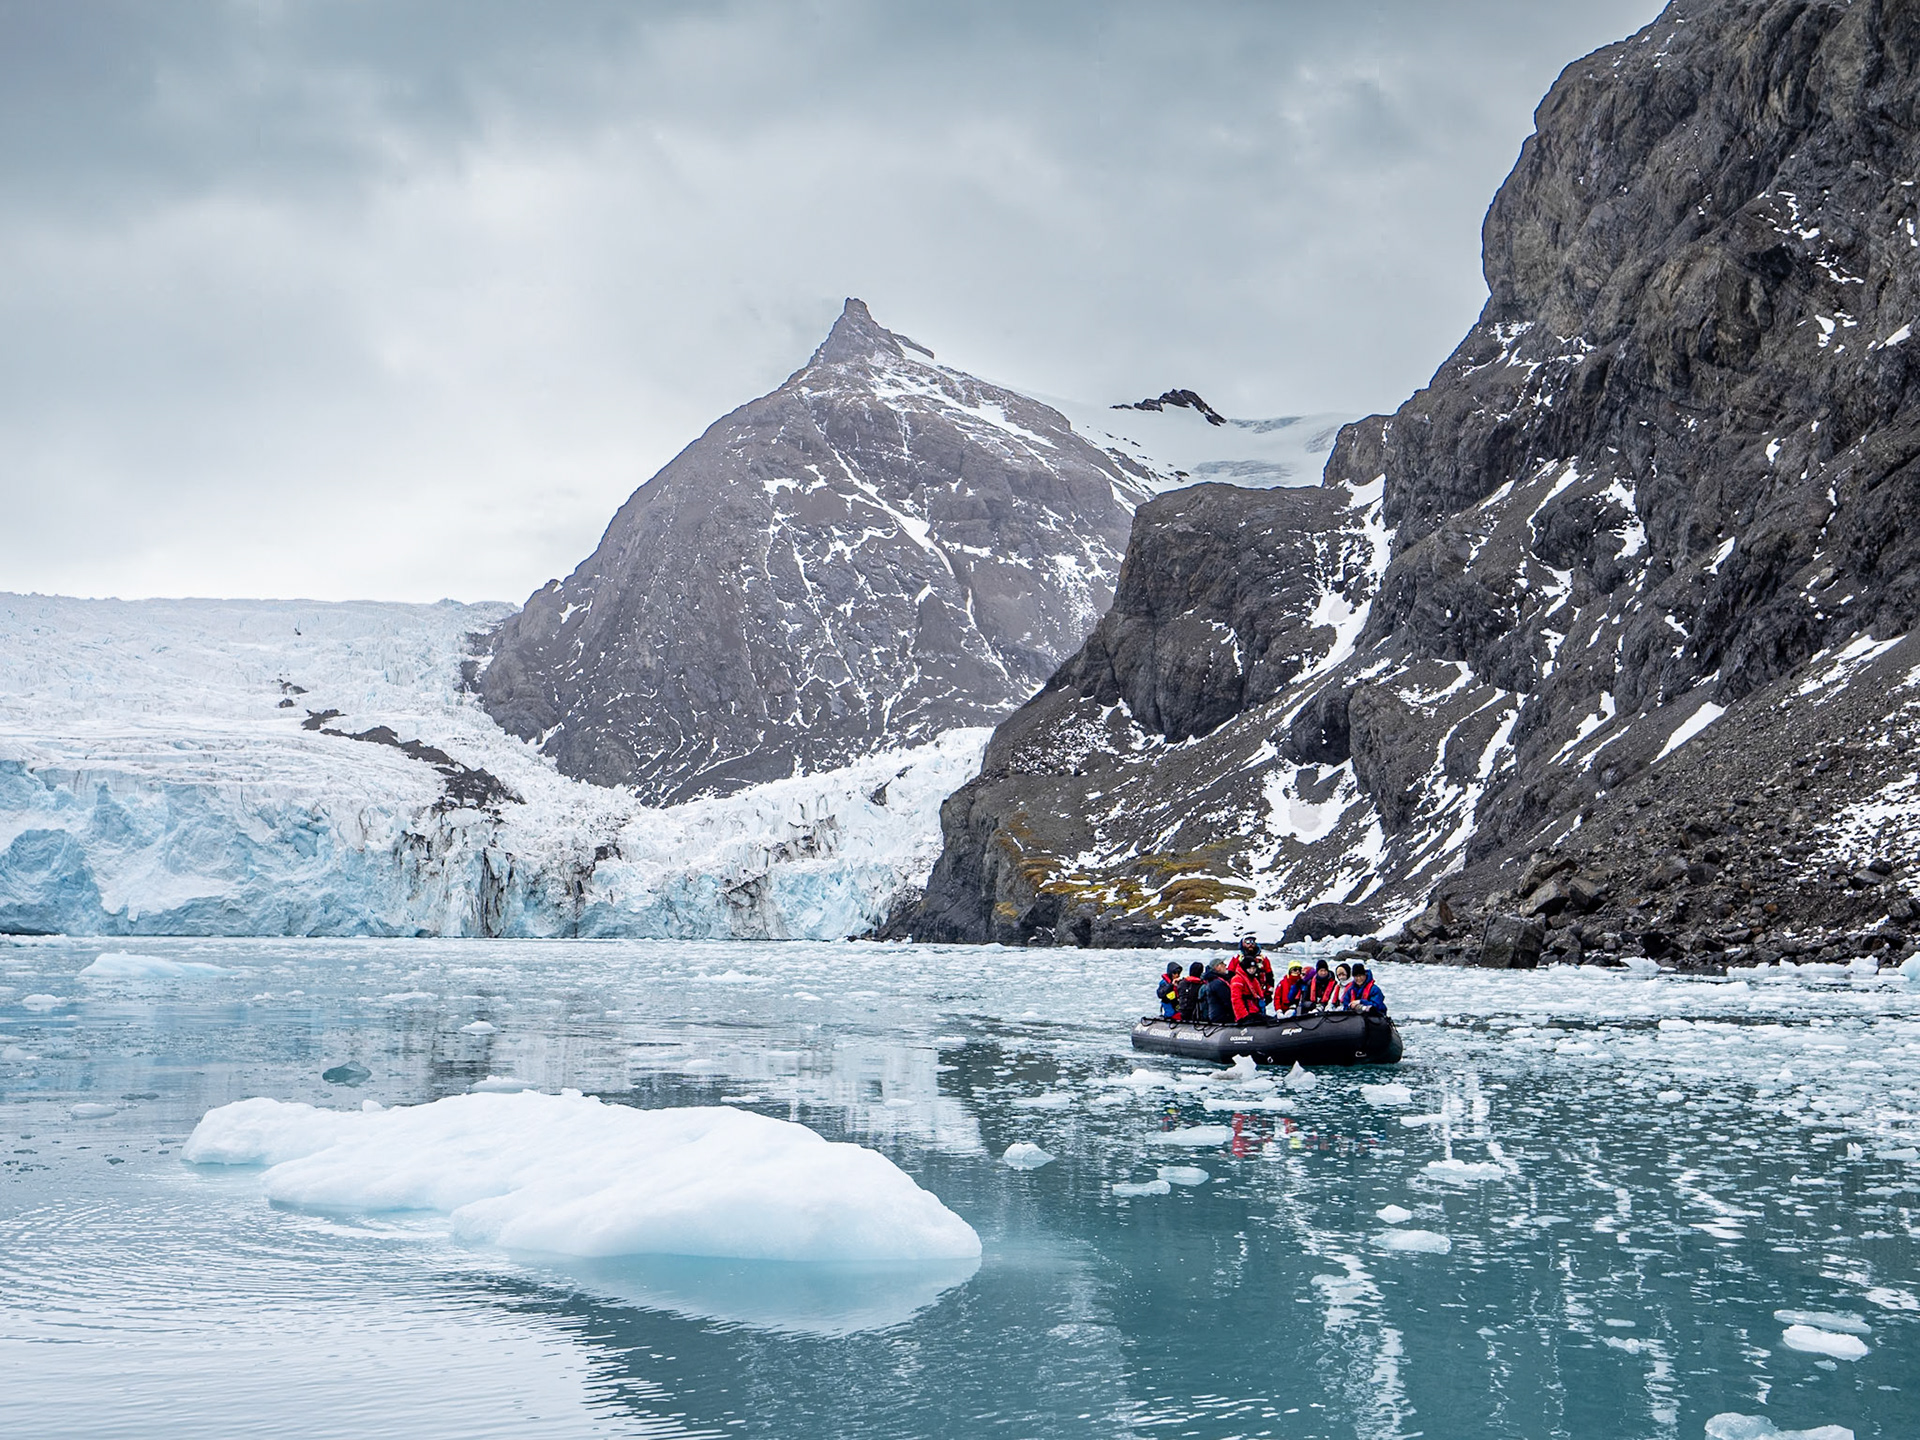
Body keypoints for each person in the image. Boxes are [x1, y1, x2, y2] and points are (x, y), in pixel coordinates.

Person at [1226, 946, 1269, 1024]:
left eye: (1254, 968)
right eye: (1250, 968)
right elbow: (1236, 999)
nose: (1252, 971)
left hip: (1254, 1010)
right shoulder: (1237, 979)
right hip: (1246, 1013)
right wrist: (1243, 1016)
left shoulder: (1253, 979)